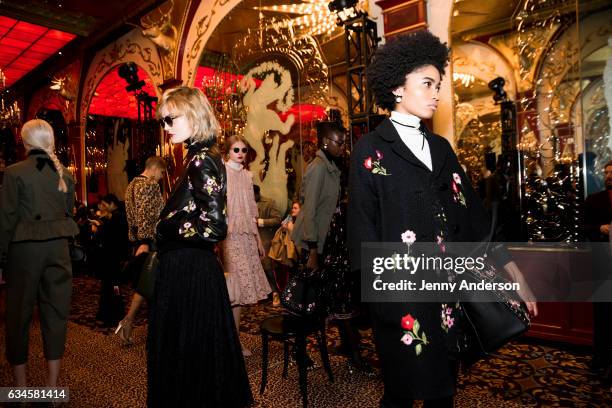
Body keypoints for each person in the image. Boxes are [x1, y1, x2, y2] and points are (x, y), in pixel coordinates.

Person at [348, 31, 537, 408]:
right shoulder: (370, 151)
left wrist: (514, 273)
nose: (436, 93)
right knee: (400, 394)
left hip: (449, 295)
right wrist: (379, 303)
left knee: (444, 393)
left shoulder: (441, 148)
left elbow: (474, 219)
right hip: (401, 300)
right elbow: (361, 231)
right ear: (397, 88)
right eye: (427, 84)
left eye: (438, 84)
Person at [149, 87, 252, 407]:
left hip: (190, 271)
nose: (165, 126)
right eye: (162, 120)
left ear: (194, 114)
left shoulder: (201, 161)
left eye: (171, 118)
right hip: (190, 269)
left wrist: (168, 226)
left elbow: (214, 227)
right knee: (196, 359)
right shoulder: (199, 156)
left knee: (189, 357)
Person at [0, 119, 79, 387]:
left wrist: (1, 257)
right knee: (56, 315)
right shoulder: (64, 173)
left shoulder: (14, 172)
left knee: (18, 316)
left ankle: (21, 390)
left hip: (24, 250)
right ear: (50, 141)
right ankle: (52, 386)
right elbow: (69, 211)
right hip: (58, 249)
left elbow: (6, 219)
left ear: (24, 142)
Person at [222, 135, 271, 356]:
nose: (240, 153)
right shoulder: (221, 173)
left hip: (246, 238)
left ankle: (233, 340)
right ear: (227, 151)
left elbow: (252, 212)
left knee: (239, 293)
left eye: (243, 149)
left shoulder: (247, 175)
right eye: (236, 150)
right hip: (229, 237)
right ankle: (228, 341)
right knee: (233, 290)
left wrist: (258, 240)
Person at [115, 156, 166, 346]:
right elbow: (145, 214)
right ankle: (131, 322)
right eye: (161, 173)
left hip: (137, 241)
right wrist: (145, 241)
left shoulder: (132, 185)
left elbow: (132, 217)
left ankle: (129, 322)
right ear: (154, 168)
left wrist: (138, 241)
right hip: (150, 242)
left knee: (145, 285)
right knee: (149, 285)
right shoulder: (149, 185)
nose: (161, 177)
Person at [584, 160, 612, 379]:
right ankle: (600, 359)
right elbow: (584, 229)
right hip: (602, 266)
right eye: (606, 172)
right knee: (602, 317)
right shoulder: (593, 200)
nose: (608, 175)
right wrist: (599, 228)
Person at [94, 193, 129, 328]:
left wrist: (100, 226)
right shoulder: (116, 217)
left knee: (114, 288)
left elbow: (111, 237)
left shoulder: (119, 217)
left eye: (104, 204)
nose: (102, 207)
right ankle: (110, 315)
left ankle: (114, 316)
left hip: (114, 259)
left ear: (112, 203)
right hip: (112, 259)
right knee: (110, 287)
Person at [254, 184, 283, 305]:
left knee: (268, 268)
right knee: (255, 269)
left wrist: (260, 222)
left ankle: (275, 293)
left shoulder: (269, 202)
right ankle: (262, 294)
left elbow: (278, 219)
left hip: (265, 239)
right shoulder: (244, 203)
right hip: (250, 240)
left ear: (257, 193)